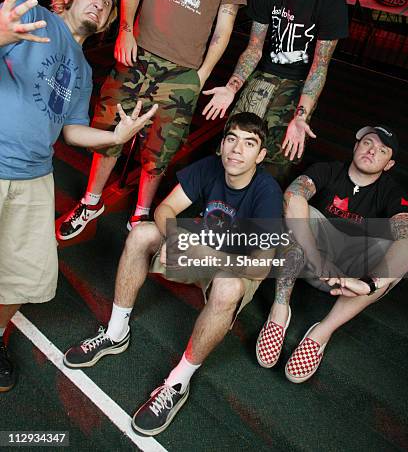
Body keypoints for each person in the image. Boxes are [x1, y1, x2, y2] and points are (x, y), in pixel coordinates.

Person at [58, 0, 250, 240]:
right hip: (137, 54)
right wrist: (126, 31)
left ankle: (141, 213)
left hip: (182, 74)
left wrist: (200, 76)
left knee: (159, 153)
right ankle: (91, 200)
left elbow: (224, 27)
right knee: (109, 131)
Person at [63, 112, 283, 435]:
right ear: (222, 146)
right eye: (231, 139)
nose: (237, 150)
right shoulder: (211, 167)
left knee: (227, 288)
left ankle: (179, 382)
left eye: (249, 144)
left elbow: (262, 265)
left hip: (238, 264)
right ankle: (115, 332)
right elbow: (166, 209)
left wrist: (201, 250)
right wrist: (174, 237)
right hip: (200, 245)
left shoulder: (267, 191)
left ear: (260, 156)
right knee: (141, 235)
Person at [0, 0, 158, 393]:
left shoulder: (84, 71)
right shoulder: (30, 17)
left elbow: (71, 131)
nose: (100, 3)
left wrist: (115, 137)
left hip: (35, 177)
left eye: (109, 2)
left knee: (27, 275)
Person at [255, 124, 408, 383]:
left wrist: (369, 284)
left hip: (350, 278)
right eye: (367, 143)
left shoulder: (392, 193)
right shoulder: (327, 170)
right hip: (310, 262)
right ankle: (279, 310)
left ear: (389, 164)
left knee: (402, 249)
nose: (372, 151)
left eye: (382, 150)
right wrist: (317, 258)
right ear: (355, 146)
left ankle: (322, 332)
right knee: (295, 209)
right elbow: (294, 196)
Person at [203, 0, 349, 184]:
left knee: (282, 151)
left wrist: (301, 115)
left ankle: (257, 213)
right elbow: (254, 49)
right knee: (236, 139)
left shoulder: (332, 2)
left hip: (299, 81)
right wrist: (232, 87)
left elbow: (319, 66)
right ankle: (222, 206)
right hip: (265, 74)